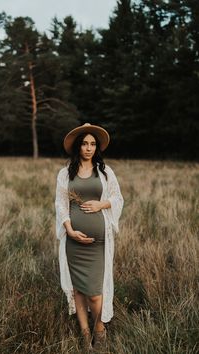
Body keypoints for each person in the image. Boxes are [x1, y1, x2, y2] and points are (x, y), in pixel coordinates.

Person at [55, 123, 124, 352]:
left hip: (99, 242)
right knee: (78, 291)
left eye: (93, 144)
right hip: (73, 242)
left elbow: (118, 198)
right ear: (77, 146)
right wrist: (70, 229)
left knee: (95, 294)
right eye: (84, 143)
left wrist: (102, 204)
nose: (88, 148)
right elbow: (61, 204)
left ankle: (99, 330)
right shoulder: (66, 173)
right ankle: (84, 333)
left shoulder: (105, 172)